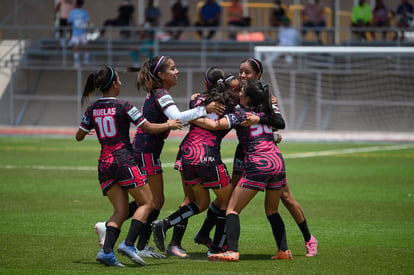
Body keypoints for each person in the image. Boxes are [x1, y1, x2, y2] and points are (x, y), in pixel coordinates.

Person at [94, 56, 225, 259]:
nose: (177, 71)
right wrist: (203, 110)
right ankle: (130, 240)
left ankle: (128, 237)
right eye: (173, 68)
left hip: (146, 150)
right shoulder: (161, 93)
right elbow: (177, 117)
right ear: (162, 75)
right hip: (145, 151)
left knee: (152, 201)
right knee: (153, 201)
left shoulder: (158, 92)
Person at [195, 58, 318, 258]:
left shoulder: (263, 100)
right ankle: (214, 240)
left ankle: (308, 238)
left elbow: (279, 122)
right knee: (232, 196)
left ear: (258, 76)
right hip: (257, 152)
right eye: (241, 71)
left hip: (258, 155)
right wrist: (201, 98)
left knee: (277, 199)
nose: (242, 76)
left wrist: (191, 114)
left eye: (247, 73)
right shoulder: (237, 95)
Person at [76, 66, 182, 267]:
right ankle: (129, 244)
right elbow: (148, 127)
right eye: (119, 80)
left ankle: (106, 252)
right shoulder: (124, 106)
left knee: (120, 210)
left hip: (104, 164)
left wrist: (91, 131)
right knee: (148, 202)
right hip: (123, 160)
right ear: (114, 84)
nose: (121, 83)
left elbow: (79, 135)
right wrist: (169, 124)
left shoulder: (91, 109)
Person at [188, 79, 290, 262]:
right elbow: (277, 124)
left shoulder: (240, 113)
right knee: (272, 210)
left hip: (259, 163)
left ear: (248, 98)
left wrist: (190, 116)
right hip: (277, 161)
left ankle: (232, 251)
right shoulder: (267, 110)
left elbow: (214, 125)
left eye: (242, 91)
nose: (239, 93)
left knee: (232, 209)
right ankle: (284, 251)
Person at [151, 67, 239, 257]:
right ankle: (216, 247)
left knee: (200, 202)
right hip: (207, 154)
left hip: (187, 154)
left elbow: (192, 113)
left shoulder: (195, 98)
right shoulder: (231, 105)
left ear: (206, 83)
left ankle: (165, 225)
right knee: (229, 200)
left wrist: (197, 118)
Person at [67, 0, 90, 66]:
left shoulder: (73, 12)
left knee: (79, 47)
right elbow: (87, 22)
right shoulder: (83, 12)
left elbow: (69, 23)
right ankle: (81, 61)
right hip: (77, 33)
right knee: (82, 46)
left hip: (81, 32)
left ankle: (83, 61)